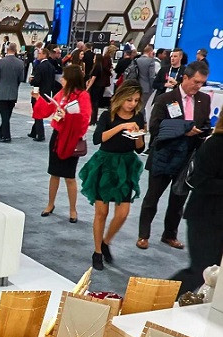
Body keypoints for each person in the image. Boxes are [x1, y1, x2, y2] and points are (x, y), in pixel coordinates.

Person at [137, 61, 211, 250]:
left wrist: (203, 131)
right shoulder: (165, 98)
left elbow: (205, 123)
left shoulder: (204, 99)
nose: (198, 86)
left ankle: (170, 235)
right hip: (164, 154)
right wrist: (183, 130)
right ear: (185, 77)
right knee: (152, 198)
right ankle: (143, 235)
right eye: (196, 81)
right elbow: (155, 127)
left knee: (178, 199)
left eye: (202, 83)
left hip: (187, 157)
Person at [79, 81, 146, 270]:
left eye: (136, 100)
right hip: (105, 164)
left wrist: (138, 135)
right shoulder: (107, 115)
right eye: (129, 99)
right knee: (101, 212)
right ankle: (97, 251)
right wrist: (121, 127)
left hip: (126, 165)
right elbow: (97, 139)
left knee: (123, 213)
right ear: (121, 97)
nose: (132, 104)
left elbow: (140, 149)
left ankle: (106, 242)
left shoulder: (138, 117)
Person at [32, 64, 92, 223]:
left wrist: (68, 117)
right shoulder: (62, 93)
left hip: (72, 139)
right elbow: (48, 109)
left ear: (71, 79)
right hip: (58, 136)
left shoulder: (83, 96)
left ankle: (73, 209)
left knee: (69, 177)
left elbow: (85, 119)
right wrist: (38, 99)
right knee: (54, 174)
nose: (61, 79)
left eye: (64, 77)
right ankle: (50, 204)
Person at [172, 116, 223, 294]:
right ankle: (156, 299)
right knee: (201, 270)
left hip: (217, 217)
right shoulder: (215, 144)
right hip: (205, 217)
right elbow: (200, 181)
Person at [0, 43, 24, 143]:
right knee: (7, 115)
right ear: (16, 50)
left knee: (4, 116)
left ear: (7, 49)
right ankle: (0, 133)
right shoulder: (20, 63)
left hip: (2, 93)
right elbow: (21, 78)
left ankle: (6, 136)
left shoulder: (1, 62)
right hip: (13, 93)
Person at [29, 47, 55, 142]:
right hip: (47, 92)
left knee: (38, 113)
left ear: (44, 54)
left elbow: (37, 81)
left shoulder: (40, 66)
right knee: (38, 112)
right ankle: (33, 131)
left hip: (39, 92)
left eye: (39, 53)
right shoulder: (51, 66)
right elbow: (52, 81)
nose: (38, 55)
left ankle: (40, 134)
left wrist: (31, 80)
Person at [86, 53, 110, 125]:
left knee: (94, 103)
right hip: (99, 86)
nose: (93, 59)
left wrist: (88, 88)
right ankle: (94, 119)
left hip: (95, 87)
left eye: (94, 58)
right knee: (95, 103)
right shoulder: (100, 67)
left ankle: (93, 119)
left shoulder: (96, 66)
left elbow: (93, 78)